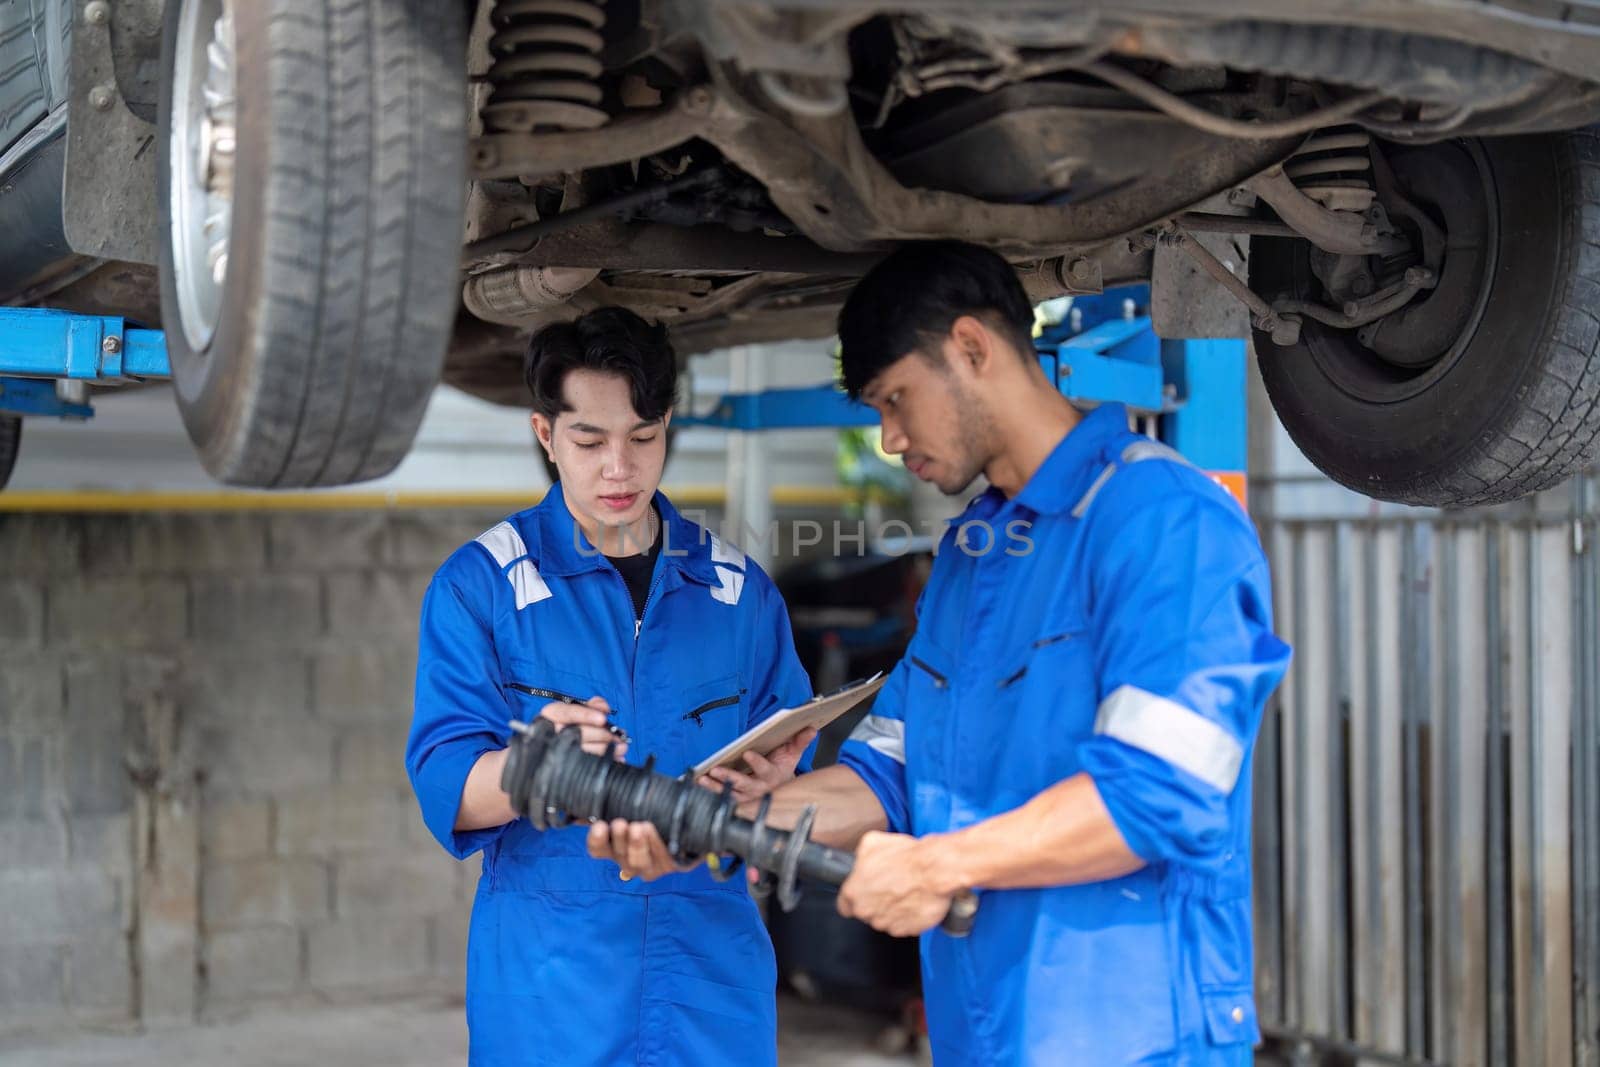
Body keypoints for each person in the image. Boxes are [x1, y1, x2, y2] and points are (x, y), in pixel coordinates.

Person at [592, 242, 1291, 1064]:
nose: (889, 439)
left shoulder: (1163, 520)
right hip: (983, 1027)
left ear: (971, 348)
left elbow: (1160, 792)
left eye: (896, 399)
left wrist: (938, 864)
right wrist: (706, 821)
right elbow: (891, 773)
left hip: (1131, 1033)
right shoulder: (975, 555)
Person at [406, 307, 816, 1067]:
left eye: (643, 437)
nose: (619, 469)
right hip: (549, 992)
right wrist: (535, 764)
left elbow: (788, 767)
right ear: (545, 435)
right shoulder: (481, 586)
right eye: (590, 441)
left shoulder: (739, 593)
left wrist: (775, 782)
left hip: (710, 982)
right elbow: (446, 786)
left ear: (667, 426)